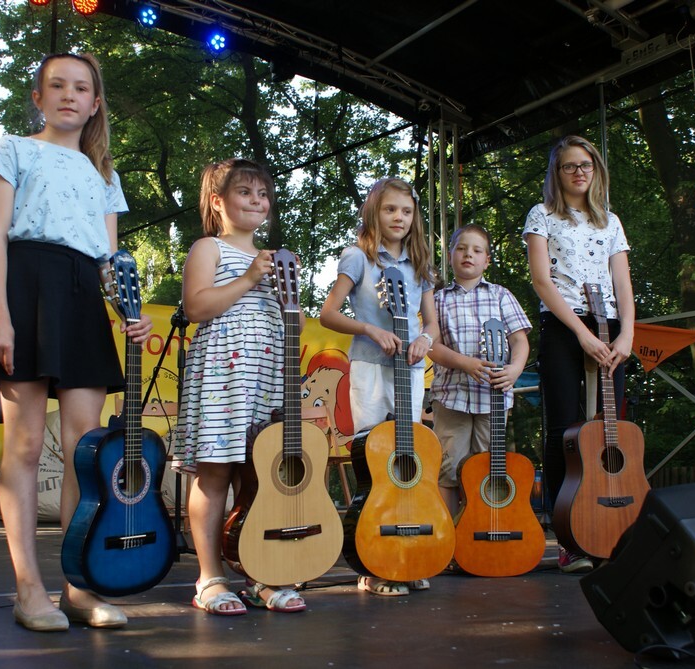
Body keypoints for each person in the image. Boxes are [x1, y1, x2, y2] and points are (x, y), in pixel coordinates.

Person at [0, 53, 153, 631]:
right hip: (24, 289)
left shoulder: (105, 177)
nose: (69, 95)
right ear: (38, 97)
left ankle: (78, 584)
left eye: (82, 88)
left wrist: (129, 311)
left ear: (96, 104)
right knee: (21, 447)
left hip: (81, 301)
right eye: (56, 86)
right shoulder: (13, 149)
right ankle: (28, 589)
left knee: (85, 453)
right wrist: (0, 317)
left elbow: (109, 261)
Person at [173, 158, 307, 615]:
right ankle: (210, 577)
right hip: (221, 376)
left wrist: (292, 307)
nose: (257, 201)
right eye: (245, 192)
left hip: (266, 377)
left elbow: (293, 322)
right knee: (215, 473)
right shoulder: (209, 248)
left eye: (263, 194)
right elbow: (195, 306)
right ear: (218, 201)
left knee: (260, 475)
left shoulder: (275, 260)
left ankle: (262, 574)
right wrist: (250, 277)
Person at [319, 176, 439, 597]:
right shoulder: (358, 257)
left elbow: (434, 324)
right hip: (370, 367)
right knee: (374, 460)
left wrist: (426, 339)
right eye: (390, 210)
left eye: (406, 211)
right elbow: (328, 313)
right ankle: (371, 561)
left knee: (407, 460)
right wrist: (370, 329)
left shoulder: (421, 262)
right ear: (374, 212)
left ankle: (407, 553)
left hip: (409, 371)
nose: (399, 218)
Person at [522, 135, 635, 574]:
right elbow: (542, 281)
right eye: (570, 165)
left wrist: (626, 335)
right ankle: (568, 537)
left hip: (609, 328)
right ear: (557, 173)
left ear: (596, 169)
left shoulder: (610, 221)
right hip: (563, 326)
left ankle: (614, 524)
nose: (579, 172)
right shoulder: (542, 215)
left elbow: (622, 282)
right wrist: (580, 333)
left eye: (586, 164)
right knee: (564, 429)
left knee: (612, 428)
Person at [428, 224, 531, 517]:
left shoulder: (501, 295)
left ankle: (485, 534)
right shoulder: (439, 300)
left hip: (494, 401)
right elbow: (431, 345)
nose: (468, 255)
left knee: (490, 470)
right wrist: (465, 363)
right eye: (461, 248)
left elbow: (519, 340)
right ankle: (450, 539)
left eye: (476, 250)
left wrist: (515, 369)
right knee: (449, 469)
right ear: (450, 256)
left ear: (487, 260)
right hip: (452, 398)